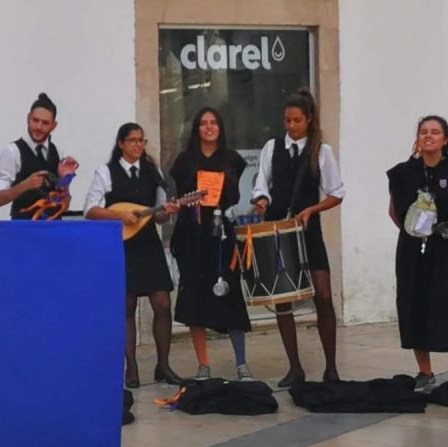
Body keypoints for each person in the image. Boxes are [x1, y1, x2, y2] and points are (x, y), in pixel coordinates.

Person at [251, 88, 345, 387]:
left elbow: (337, 193)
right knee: (282, 300)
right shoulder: (271, 147)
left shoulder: (322, 151)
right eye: (287, 120)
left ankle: (331, 366)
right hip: (277, 226)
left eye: (296, 120)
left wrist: (311, 210)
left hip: (308, 228)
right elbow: (261, 183)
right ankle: (295, 367)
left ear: (309, 119)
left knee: (324, 295)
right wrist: (261, 200)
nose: (290, 126)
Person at [387, 115, 448, 389]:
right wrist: (417, 233)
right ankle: (425, 371)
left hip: (447, 250)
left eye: (435, 132)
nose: (428, 136)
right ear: (417, 138)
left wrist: (447, 238)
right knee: (414, 304)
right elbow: (394, 212)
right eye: (423, 131)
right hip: (411, 251)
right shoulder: (402, 173)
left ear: (445, 138)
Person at [85, 122, 181, 387]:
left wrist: (167, 211)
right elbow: (90, 210)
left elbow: (158, 216)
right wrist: (119, 214)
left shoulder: (153, 172)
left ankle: (163, 365)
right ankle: (132, 368)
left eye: (141, 140)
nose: (138, 145)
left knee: (162, 303)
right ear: (121, 144)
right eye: (132, 141)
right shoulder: (106, 173)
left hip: (148, 243)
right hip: (122, 245)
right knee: (126, 305)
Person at [170, 107, 252, 381]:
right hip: (193, 236)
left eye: (213, 122)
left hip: (222, 236)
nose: (208, 127)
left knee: (230, 296)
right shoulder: (184, 161)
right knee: (196, 299)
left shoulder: (232, 159)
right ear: (196, 129)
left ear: (220, 127)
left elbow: (234, 195)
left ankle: (241, 363)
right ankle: (203, 364)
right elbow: (180, 197)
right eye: (203, 123)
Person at [0, 93, 78, 219]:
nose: (38, 127)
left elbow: (65, 204)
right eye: (35, 120)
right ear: (28, 118)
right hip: (23, 229)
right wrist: (25, 185)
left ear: (53, 126)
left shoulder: (59, 152)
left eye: (45, 123)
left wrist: (65, 181)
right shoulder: (12, 151)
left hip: (53, 228)